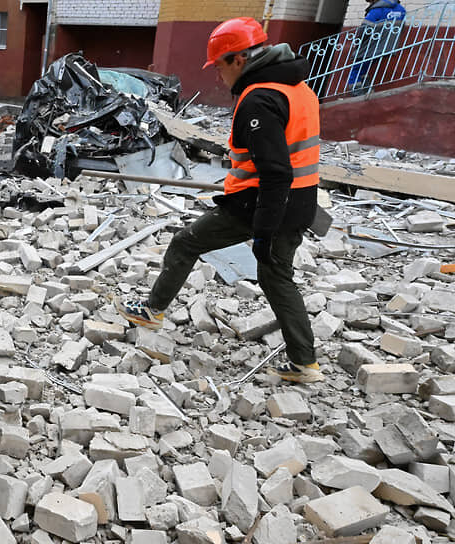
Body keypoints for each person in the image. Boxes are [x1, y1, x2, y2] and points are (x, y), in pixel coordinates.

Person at [117, 17, 324, 384]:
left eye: (219, 66)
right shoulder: (299, 89)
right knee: (277, 277)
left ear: (238, 59)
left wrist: (262, 229)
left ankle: (153, 310)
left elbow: (275, 172)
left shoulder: (259, 99)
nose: (217, 75)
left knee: (185, 242)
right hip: (301, 201)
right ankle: (304, 362)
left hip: (259, 203)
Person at [347, 0, 406, 95]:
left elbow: (365, 29)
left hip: (371, 45)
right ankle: (367, 90)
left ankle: (356, 92)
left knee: (357, 68)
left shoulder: (377, 10)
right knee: (365, 67)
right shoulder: (401, 10)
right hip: (387, 46)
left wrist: (358, 42)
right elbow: (401, 28)